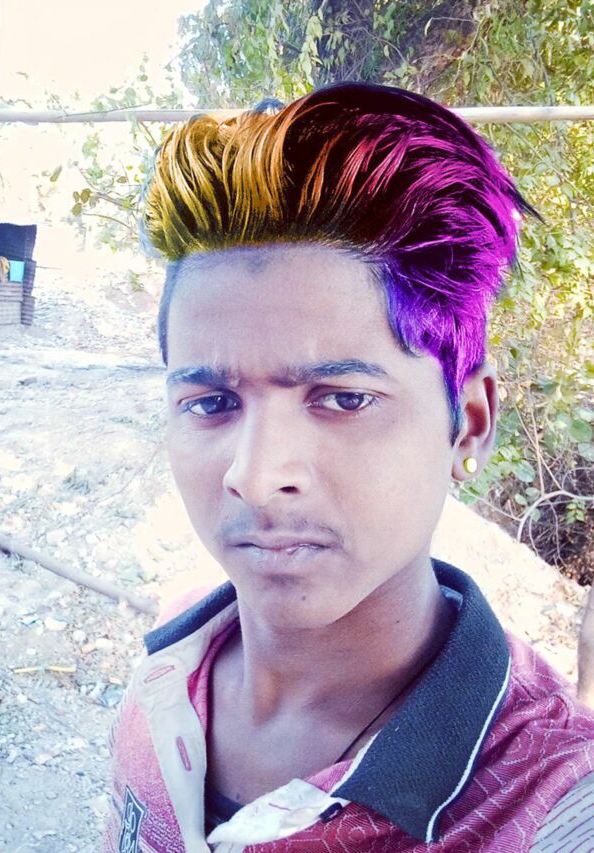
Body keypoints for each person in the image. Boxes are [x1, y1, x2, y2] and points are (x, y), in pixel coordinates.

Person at [102, 83, 594, 852]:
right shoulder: (167, 667)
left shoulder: (552, 807)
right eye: (211, 402)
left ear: (468, 423)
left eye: (343, 399)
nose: (254, 476)